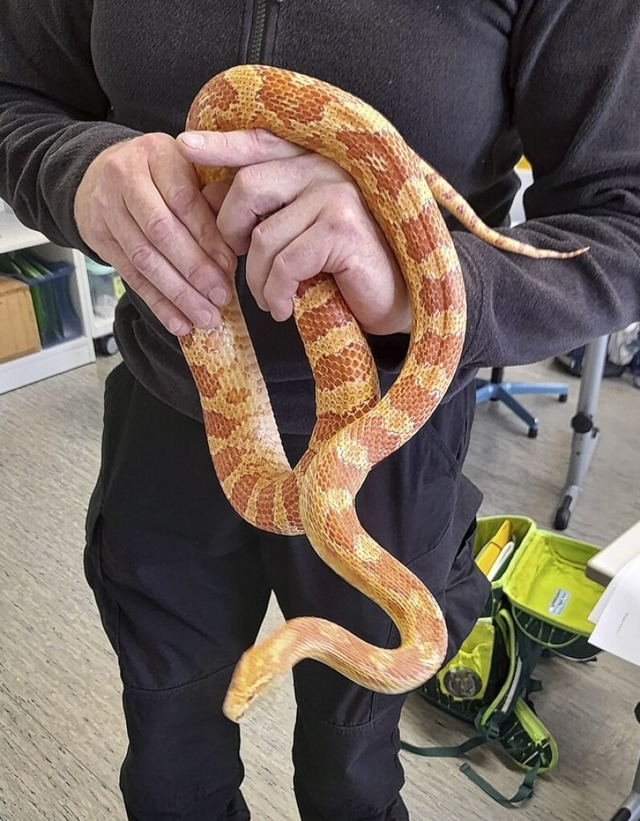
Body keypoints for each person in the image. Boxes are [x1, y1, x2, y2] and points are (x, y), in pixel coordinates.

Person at [1, 2, 639, 819]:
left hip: (389, 451)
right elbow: (14, 98)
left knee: (353, 764)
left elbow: (623, 223)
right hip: (167, 400)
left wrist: (427, 275)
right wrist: (78, 169)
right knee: (168, 739)